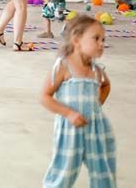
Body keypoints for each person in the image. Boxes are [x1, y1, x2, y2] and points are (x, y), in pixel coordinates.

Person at [41, 15, 115, 187]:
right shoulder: (64, 67)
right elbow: (45, 96)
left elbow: (106, 86)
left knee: (102, 171)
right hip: (70, 130)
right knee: (64, 171)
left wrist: (95, 106)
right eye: (96, 38)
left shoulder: (96, 70)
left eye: (103, 39)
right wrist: (68, 113)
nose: (101, 43)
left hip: (96, 129)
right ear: (76, 40)